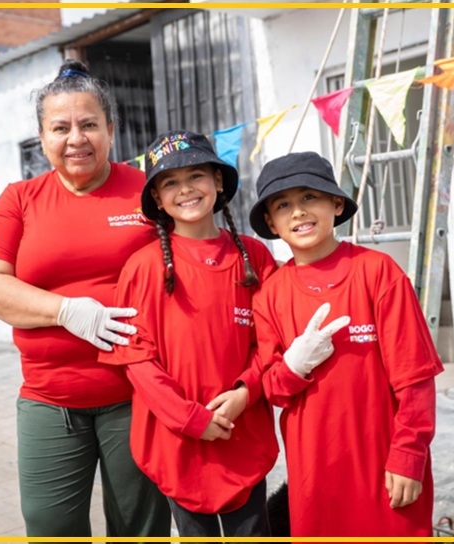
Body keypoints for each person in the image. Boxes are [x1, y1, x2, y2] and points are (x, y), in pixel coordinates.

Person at [0, 60, 170, 539]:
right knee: (49, 526)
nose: (76, 138)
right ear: (42, 137)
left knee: (140, 530)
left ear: (111, 130)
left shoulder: (146, 191)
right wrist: (66, 311)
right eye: (60, 127)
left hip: (137, 394)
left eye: (88, 125)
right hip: (49, 398)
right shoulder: (19, 199)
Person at [249, 151, 444, 537]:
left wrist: (409, 456)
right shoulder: (270, 295)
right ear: (270, 221)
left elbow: (416, 379)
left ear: (336, 203)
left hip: (386, 466)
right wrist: (293, 367)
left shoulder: (378, 273)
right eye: (283, 204)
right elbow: (271, 388)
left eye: (309, 198)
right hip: (315, 475)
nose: (298, 213)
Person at [100, 130, 279, 538]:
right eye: (170, 183)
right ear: (158, 200)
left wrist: (245, 392)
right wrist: (188, 418)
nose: (186, 190)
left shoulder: (255, 258)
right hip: (176, 439)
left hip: (242, 430)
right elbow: (135, 358)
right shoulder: (143, 268)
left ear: (218, 181)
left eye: (196, 175)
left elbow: (272, 342)